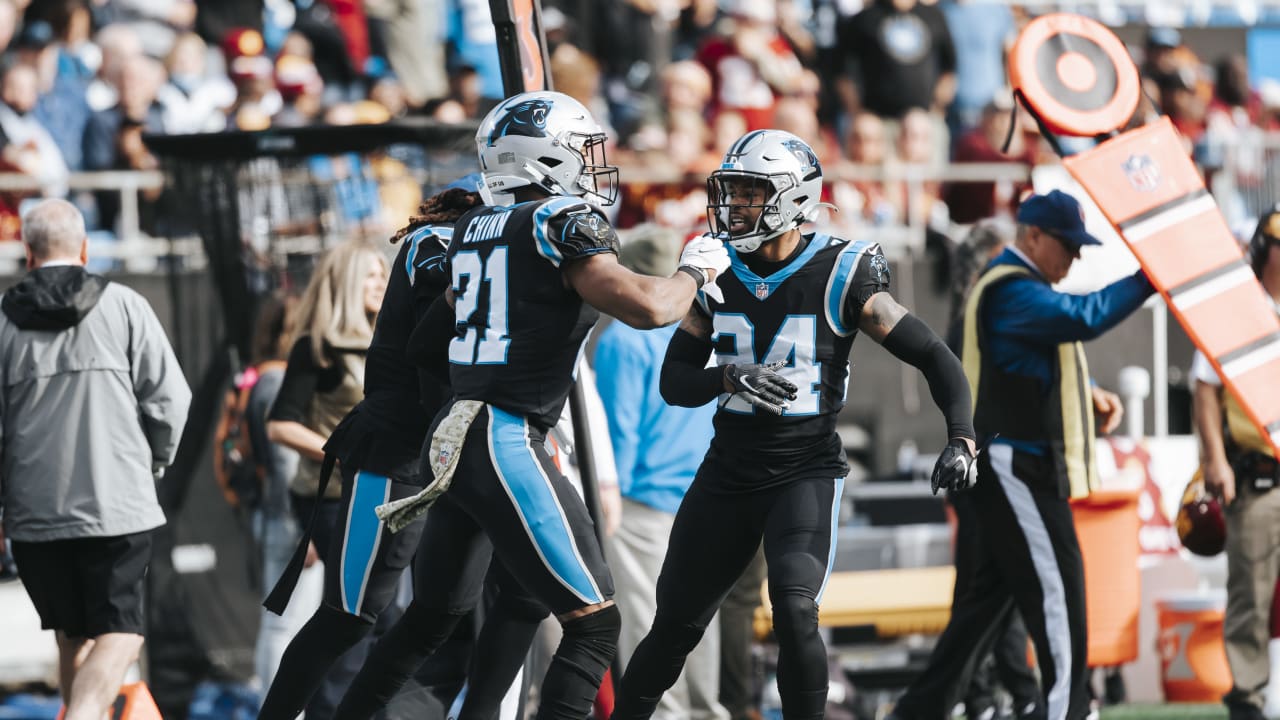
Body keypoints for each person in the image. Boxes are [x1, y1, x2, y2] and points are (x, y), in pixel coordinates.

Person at [329, 89, 732, 720]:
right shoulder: (557, 223)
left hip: (458, 432)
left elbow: (427, 340)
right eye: (579, 151)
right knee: (595, 624)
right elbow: (652, 307)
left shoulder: (473, 228)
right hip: (506, 436)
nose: (592, 165)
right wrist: (696, 271)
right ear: (541, 160)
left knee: (436, 617)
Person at [611, 129, 978, 720]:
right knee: (673, 628)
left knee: (794, 606)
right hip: (727, 471)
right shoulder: (717, 268)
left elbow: (933, 354)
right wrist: (727, 379)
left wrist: (961, 436)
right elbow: (674, 383)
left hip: (804, 470)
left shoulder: (841, 269)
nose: (735, 206)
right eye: (732, 191)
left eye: (751, 193)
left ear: (791, 199)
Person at [889, 190, 1153, 720]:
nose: (1075, 258)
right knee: (1060, 596)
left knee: (983, 610)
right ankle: (1068, 710)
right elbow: (1087, 315)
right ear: (1033, 236)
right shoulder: (1013, 289)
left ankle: (916, 713)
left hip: (1007, 464)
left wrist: (1086, 390)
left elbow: (1039, 354)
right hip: (1018, 468)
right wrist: (1152, 275)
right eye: (1069, 245)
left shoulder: (1017, 287)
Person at [0, 199, 190, 720]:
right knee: (122, 635)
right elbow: (172, 400)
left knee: (71, 635)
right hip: (116, 504)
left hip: (34, 514)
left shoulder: (2, 323)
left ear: (27, 250)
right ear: (84, 248)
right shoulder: (125, 305)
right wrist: (153, 462)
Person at [594, 226, 728, 720]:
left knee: (650, 624)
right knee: (699, 621)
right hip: (706, 495)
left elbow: (620, 433)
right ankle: (708, 712)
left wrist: (605, 504)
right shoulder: (706, 323)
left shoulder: (624, 339)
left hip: (641, 502)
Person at [259, 238, 389, 720]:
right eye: (370, 275)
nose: (380, 283)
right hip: (339, 500)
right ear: (346, 283)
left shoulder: (390, 340)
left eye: (383, 274)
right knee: (352, 622)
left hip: (387, 497)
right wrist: (344, 454)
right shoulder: (318, 347)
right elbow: (280, 424)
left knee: (388, 620)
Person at [944, 221, 1040, 720]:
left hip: (987, 468)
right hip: (984, 469)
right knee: (991, 587)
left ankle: (989, 690)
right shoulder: (974, 324)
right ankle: (987, 691)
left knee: (994, 586)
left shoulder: (971, 321)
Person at [1191, 208, 1280, 720]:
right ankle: (1246, 697)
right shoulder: (1237, 311)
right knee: (1250, 591)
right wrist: (1214, 458)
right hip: (1259, 475)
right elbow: (1206, 385)